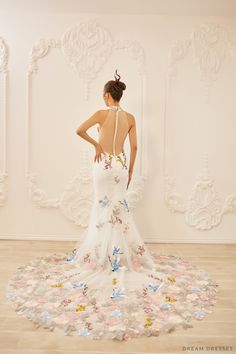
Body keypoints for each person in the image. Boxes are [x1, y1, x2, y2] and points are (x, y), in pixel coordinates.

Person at [6, 70, 219, 341]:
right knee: (119, 211)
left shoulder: (100, 113)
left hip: (101, 164)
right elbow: (136, 147)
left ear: (107, 95)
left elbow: (78, 130)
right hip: (118, 165)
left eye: (103, 94)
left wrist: (96, 144)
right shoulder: (130, 118)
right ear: (120, 95)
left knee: (101, 209)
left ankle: (101, 257)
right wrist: (130, 172)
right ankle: (118, 256)